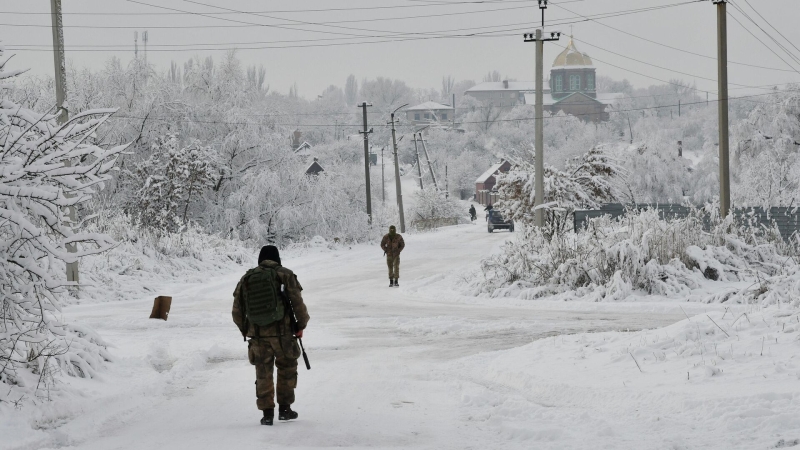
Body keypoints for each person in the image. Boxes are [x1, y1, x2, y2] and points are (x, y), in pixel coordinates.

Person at [232, 245, 310, 426]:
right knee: (287, 368)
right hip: (283, 334)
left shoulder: (246, 278)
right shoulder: (285, 274)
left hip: (258, 335)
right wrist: (301, 325)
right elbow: (298, 303)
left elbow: (237, 311)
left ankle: (267, 414)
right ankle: (284, 410)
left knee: (263, 372)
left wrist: (246, 330)